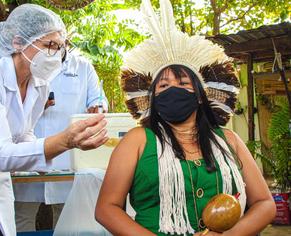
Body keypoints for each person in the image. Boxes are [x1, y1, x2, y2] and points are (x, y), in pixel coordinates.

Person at [95, 0, 276, 235]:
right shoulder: (137, 141)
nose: (173, 90)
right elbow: (107, 209)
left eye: (182, 84)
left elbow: (265, 204)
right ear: (153, 98)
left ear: (200, 96)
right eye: (163, 85)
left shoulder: (229, 140)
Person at [0, 4, 108, 236]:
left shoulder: (39, 83)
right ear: (18, 43)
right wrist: (65, 141)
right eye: (49, 45)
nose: (56, 55)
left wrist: (39, 161)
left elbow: (24, 132)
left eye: (59, 48)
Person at [13, 44, 108, 232]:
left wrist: (97, 107)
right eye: (47, 43)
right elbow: (12, 103)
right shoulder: (28, 64)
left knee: (67, 217)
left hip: (68, 156)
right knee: (22, 215)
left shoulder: (82, 67)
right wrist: (37, 104)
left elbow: (98, 99)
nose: (52, 48)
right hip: (29, 150)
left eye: (56, 42)